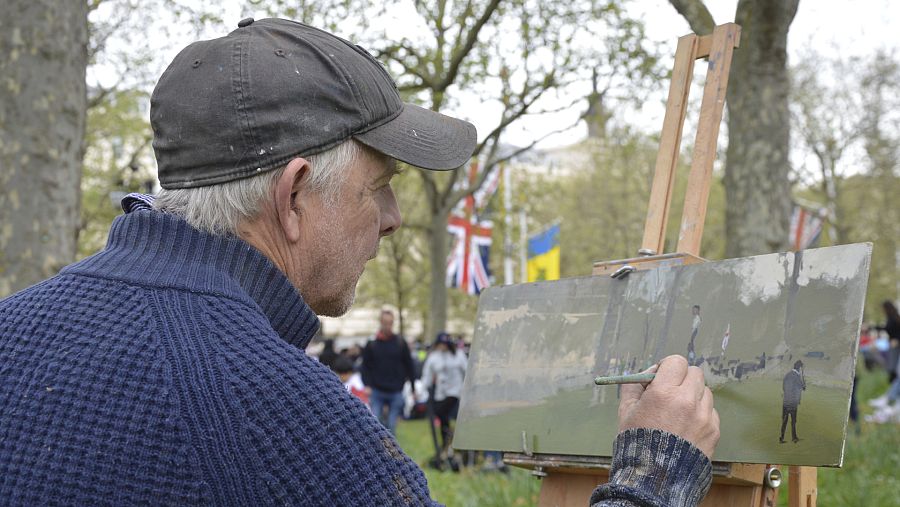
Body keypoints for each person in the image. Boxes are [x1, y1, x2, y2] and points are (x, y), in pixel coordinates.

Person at [0, 18, 719, 506]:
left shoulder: (12, 327)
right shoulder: (285, 416)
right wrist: (649, 478)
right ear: (294, 197)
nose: (394, 218)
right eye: (378, 188)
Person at [360, 309, 417, 435]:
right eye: (385, 322)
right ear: (380, 322)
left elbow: (409, 366)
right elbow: (365, 367)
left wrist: (413, 388)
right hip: (377, 390)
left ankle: (391, 452)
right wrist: (367, 385)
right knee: (376, 423)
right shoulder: (372, 344)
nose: (388, 326)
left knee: (391, 425)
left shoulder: (400, 343)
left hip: (396, 390)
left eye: (390, 323)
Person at [421, 333, 468, 456]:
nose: (443, 347)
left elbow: (467, 371)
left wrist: (466, 389)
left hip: (455, 392)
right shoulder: (434, 357)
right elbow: (427, 375)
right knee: (443, 418)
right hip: (440, 394)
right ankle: (446, 442)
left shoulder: (458, 355)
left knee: (444, 413)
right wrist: (423, 389)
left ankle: (454, 439)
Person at [780, 360, 806, 443]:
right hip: (793, 402)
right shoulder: (797, 376)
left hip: (785, 401)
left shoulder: (787, 375)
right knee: (793, 421)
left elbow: (783, 387)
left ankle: (781, 438)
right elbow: (803, 387)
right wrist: (802, 376)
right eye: (801, 368)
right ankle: (794, 438)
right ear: (799, 368)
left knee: (784, 420)